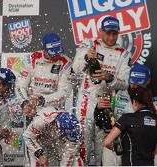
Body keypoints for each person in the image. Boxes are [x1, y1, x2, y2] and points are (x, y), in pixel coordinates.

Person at [72, 16, 131, 165]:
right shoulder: (90, 44)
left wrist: (110, 77)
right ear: (100, 31)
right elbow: (75, 68)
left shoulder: (123, 53)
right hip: (86, 101)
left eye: (114, 34)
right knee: (82, 145)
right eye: (108, 33)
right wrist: (87, 57)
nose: (111, 37)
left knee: (102, 149)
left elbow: (125, 83)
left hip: (107, 103)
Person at [98, 64, 154, 165]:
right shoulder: (117, 92)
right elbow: (102, 119)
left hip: (139, 151)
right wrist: (99, 109)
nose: (135, 87)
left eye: (139, 84)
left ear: (148, 81)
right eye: (133, 82)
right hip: (115, 144)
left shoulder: (152, 102)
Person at [15, 32, 72, 121]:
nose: (56, 56)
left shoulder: (66, 63)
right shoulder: (30, 59)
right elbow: (20, 86)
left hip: (54, 109)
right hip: (32, 107)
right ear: (43, 49)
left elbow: (64, 92)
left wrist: (43, 100)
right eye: (52, 53)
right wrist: (25, 103)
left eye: (58, 52)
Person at [104, 86, 157, 166]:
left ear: (134, 102)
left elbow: (107, 142)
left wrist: (119, 150)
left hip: (131, 163)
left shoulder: (127, 118)